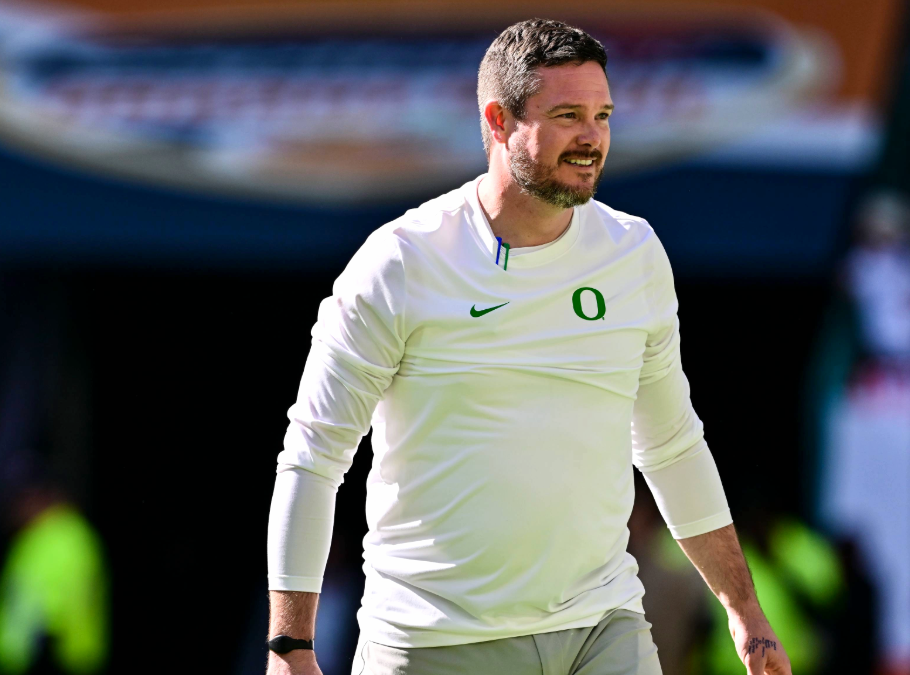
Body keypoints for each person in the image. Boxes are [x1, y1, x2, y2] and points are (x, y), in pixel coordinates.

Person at [265, 19, 791, 675]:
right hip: (435, 641)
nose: (592, 136)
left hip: (603, 627)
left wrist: (745, 609)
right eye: (568, 114)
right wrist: (290, 647)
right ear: (497, 120)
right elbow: (313, 456)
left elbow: (670, 442)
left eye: (602, 115)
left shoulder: (634, 254)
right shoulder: (401, 262)